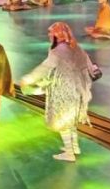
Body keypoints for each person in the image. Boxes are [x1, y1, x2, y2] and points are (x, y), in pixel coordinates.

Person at [20, 22, 95, 162]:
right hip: (77, 90)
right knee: (71, 120)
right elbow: (89, 65)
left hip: (63, 90)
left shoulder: (58, 51)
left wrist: (28, 79)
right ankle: (74, 147)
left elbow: (45, 67)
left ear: (57, 36)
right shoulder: (75, 47)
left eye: (51, 34)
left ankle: (69, 153)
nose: (49, 36)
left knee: (62, 121)